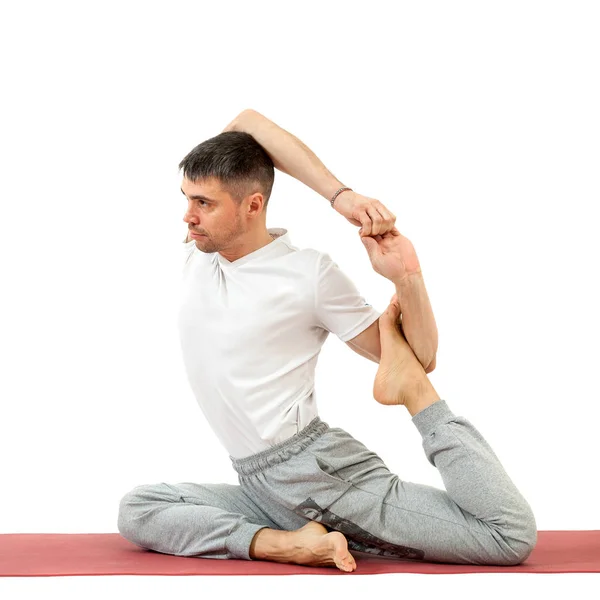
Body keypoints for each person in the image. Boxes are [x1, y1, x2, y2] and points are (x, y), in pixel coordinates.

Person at [117, 110, 537, 572]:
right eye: (186, 199)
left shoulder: (307, 274)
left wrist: (407, 278)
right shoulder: (202, 249)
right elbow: (247, 122)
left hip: (320, 477)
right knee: (140, 509)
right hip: (260, 485)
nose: (188, 216)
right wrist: (339, 195)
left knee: (506, 535)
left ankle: (413, 407)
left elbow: (416, 357)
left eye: (203, 203)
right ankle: (289, 543)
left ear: (253, 206)